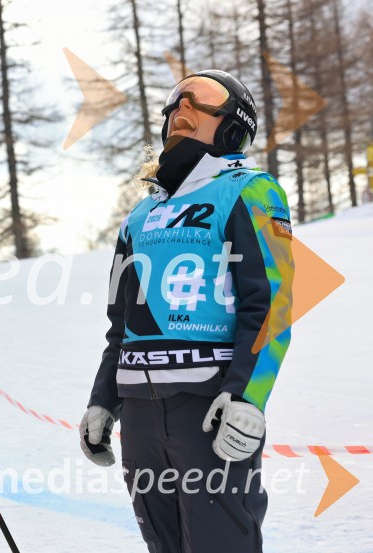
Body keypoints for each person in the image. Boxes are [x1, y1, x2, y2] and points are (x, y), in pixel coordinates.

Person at [80, 70, 293, 553]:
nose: (182, 106)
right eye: (176, 99)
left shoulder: (249, 190)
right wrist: (103, 400)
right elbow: (122, 325)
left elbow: (270, 304)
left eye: (201, 99)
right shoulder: (140, 215)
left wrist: (247, 396)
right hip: (140, 413)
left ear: (233, 125)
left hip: (209, 408)